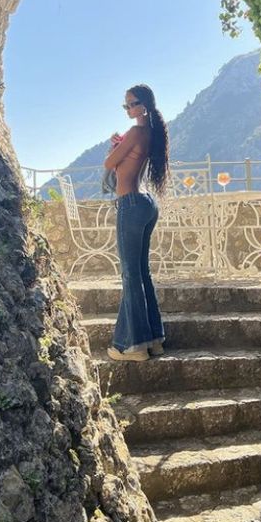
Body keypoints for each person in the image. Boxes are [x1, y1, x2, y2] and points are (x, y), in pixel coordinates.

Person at [103, 84, 170, 362]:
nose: (128, 109)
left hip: (130, 204)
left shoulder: (135, 132)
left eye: (131, 104)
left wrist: (115, 146)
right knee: (142, 273)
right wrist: (122, 147)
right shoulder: (152, 133)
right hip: (147, 203)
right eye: (125, 106)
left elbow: (110, 163)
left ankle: (133, 346)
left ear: (143, 105)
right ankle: (154, 340)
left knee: (131, 274)